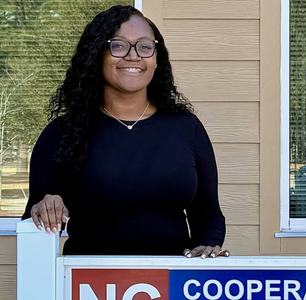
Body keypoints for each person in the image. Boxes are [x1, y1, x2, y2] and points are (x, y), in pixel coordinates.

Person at [22, 5, 227, 258]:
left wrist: (206, 248)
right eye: (118, 45)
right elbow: (34, 222)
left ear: (156, 58)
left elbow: (208, 215)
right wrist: (44, 209)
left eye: (144, 46)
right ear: (98, 54)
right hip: (86, 287)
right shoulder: (62, 133)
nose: (133, 56)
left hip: (172, 284)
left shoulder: (186, 128)